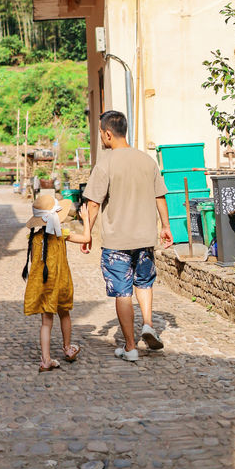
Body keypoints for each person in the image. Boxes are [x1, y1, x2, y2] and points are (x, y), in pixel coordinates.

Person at [82, 110, 174, 362]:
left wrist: (87, 233)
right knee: (144, 283)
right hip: (145, 238)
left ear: (108, 134)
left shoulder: (106, 163)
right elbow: (160, 196)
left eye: (101, 132)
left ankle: (131, 347)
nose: (101, 136)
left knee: (123, 291)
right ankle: (147, 324)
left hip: (117, 242)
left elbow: (93, 204)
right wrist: (166, 226)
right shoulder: (147, 160)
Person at [22, 193, 91, 372]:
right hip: (60, 283)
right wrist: (86, 221)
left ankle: (46, 360)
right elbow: (86, 239)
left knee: (46, 322)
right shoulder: (62, 235)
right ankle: (68, 349)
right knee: (65, 314)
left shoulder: (33, 239)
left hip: (44, 286)